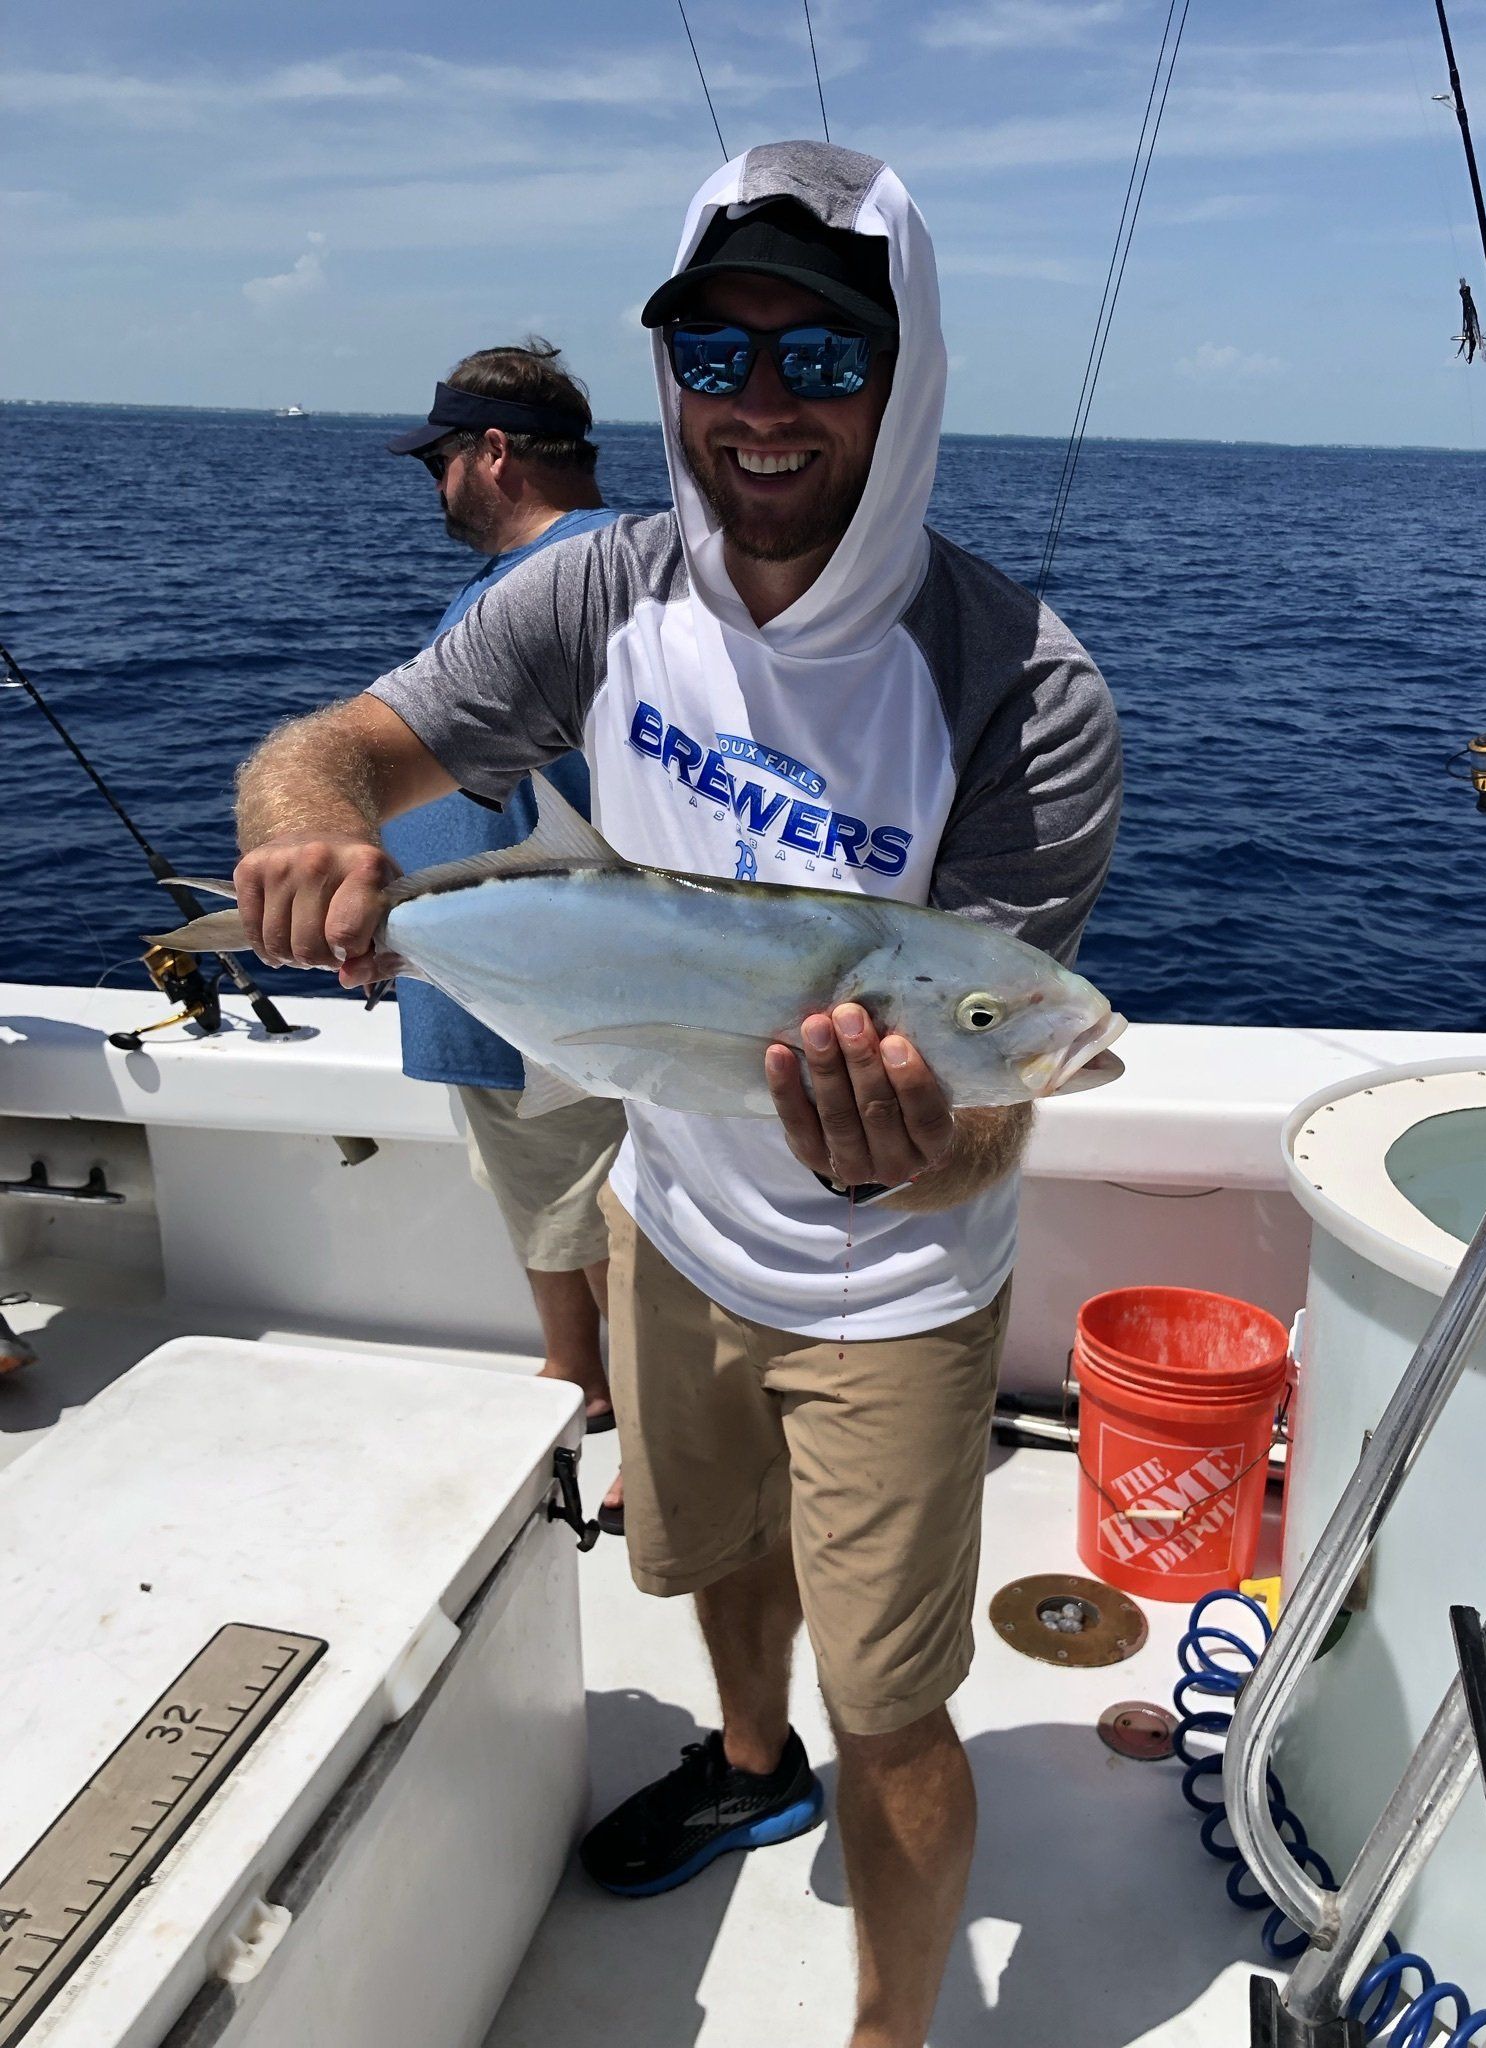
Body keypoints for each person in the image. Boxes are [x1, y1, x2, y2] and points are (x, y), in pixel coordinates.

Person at [227, 143, 1121, 2048]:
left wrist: (928, 1143)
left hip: (890, 1292)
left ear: (914, 368)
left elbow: (985, 1082)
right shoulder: (601, 596)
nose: (765, 404)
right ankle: (740, 1754)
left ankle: (887, 2024)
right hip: (670, 1217)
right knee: (709, 1556)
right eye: (715, 357)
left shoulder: (1020, 688)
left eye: (824, 353)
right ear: (668, 386)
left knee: (892, 1702)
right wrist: (307, 828)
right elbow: (342, 744)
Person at [381, 343, 628, 1522]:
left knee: (620, 1211)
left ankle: (661, 1436)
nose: (434, 486)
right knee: (552, 1197)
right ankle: (579, 1377)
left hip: (550, 989)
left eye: (440, 460)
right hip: (490, 984)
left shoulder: (553, 585)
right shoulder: (612, 567)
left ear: (492, 454)